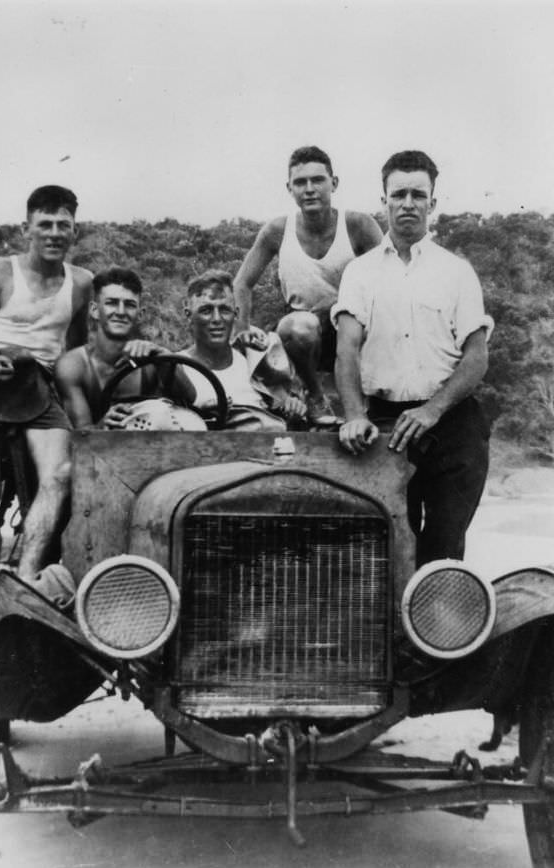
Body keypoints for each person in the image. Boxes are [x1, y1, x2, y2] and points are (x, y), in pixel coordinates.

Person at [333, 150, 493, 567]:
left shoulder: (456, 272)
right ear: (383, 201)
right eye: (398, 194)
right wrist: (354, 415)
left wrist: (432, 410)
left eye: (418, 195)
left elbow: (476, 357)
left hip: (452, 424)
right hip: (385, 424)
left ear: (432, 203)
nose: (408, 203)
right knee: (386, 550)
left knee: (442, 551)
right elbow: (346, 349)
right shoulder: (360, 272)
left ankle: (439, 607)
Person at [0, 185, 93, 582]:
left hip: (38, 390)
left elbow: (76, 351)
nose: (54, 233)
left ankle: (28, 582)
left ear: (75, 232)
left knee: (60, 475)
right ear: (26, 229)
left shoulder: (81, 283)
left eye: (63, 225)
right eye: (44, 224)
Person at [233, 145, 382, 424]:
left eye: (318, 180)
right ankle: (315, 396)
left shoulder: (358, 225)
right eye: (300, 182)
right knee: (297, 326)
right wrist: (241, 328)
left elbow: (389, 279)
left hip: (355, 327)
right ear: (289, 188)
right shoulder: (277, 230)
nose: (310, 189)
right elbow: (242, 282)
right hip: (305, 335)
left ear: (333, 183)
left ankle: (372, 404)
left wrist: (340, 304)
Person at [55, 265, 198, 430]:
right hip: (98, 445)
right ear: (94, 310)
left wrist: (163, 357)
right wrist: (102, 426)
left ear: (140, 314)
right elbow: (81, 433)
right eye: (112, 303)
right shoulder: (73, 366)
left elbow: (190, 398)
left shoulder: (152, 359)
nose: (121, 312)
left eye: (129, 305)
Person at [182, 269, 305, 431]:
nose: (217, 319)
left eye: (224, 310)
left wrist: (293, 410)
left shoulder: (256, 363)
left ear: (236, 314)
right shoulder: (175, 369)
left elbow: (285, 412)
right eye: (206, 310)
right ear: (189, 315)